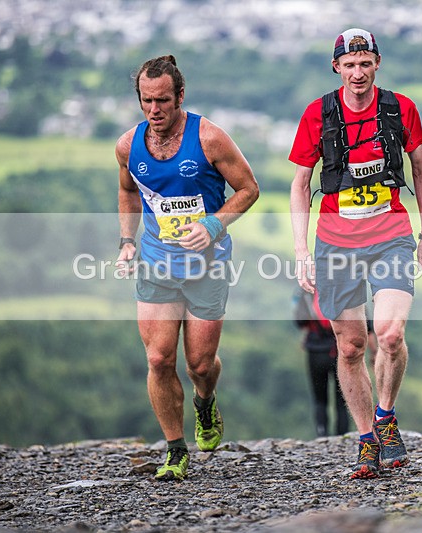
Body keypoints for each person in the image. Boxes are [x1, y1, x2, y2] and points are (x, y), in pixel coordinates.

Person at [289, 28, 422, 479]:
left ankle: (386, 416)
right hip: (335, 240)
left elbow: (421, 170)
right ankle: (366, 440)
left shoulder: (401, 108)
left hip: (391, 233)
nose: (358, 72)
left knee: (390, 334)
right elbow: (300, 185)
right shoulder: (318, 114)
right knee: (350, 346)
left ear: (377, 64)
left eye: (365, 63)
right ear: (337, 67)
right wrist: (302, 251)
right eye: (349, 65)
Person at [115, 54, 259, 480]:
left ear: (180, 96)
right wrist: (126, 241)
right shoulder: (128, 145)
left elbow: (249, 189)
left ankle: (205, 400)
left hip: (207, 266)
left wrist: (213, 224)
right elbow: (127, 192)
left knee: (199, 364)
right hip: (156, 263)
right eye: (146, 101)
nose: (154, 110)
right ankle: (176, 450)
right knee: (159, 359)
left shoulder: (210, 138)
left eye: (162, 100)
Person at [294, 288, 378, 437]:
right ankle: (342, 436)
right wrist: (374, 352)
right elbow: (368, 327)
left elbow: (300, 322)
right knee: (343, 399)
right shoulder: (349, 291)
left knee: (320, 398)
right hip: (341, 352)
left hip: (315, 352)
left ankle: (322, 434)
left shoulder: (308, 294)